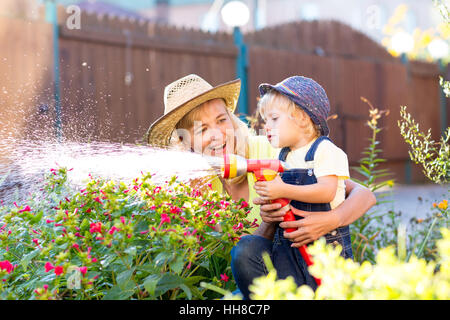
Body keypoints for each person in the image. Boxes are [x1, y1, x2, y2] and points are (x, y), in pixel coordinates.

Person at [146, 74, 376, 299]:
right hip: (268, 278)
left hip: (309, 269)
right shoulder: (199, 189)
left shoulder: (272, 150)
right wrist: (269, 222)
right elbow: (244, 259)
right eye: (202, 130)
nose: (217, 134)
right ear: (185, 142)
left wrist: (331, 220)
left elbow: (363, 194)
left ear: (232, 118)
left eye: (221, 120)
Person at [249, 75, 352, 291]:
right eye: (265, 120)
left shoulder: (325, 151)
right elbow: (281, 196)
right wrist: (269, 198)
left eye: (274, 119)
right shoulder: (283, 156)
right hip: (289, 241)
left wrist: (282, 188)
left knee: (328, 290)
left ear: (303, 118)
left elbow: (326, 191)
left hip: (325, 241)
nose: (266, 126)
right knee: (292, 290)